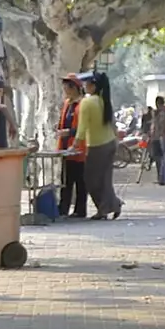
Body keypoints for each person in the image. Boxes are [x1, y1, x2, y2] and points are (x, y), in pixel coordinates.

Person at [77, 71, 123, 220]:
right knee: (105, 178)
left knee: (91, 179)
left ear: (93, 86)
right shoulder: (105, 101)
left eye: (87, 84)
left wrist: (75, 144)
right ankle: (110, 205)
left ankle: (108, 206)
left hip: (97, 145)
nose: (85, 86)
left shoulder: (87, 102)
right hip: (110, 143)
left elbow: (82, 127)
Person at [56, 75, 87, 219]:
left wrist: (69, 132)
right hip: (65, 147)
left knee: (80, 181)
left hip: (78, 148)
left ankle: (80, 210)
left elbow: (83, 126)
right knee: (65, 181)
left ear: (74, 88)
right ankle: (63, 209)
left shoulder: (83, 105)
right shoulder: (67, 104)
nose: (65, 90)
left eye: (67, 87)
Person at [150, 94, 165, 185]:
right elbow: (163, 125)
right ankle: (164, 178)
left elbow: (157, 125)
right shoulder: (162, 113)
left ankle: (162, 178)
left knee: (160, 158)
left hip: (158, 137)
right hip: (163, 137)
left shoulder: (159, 113)